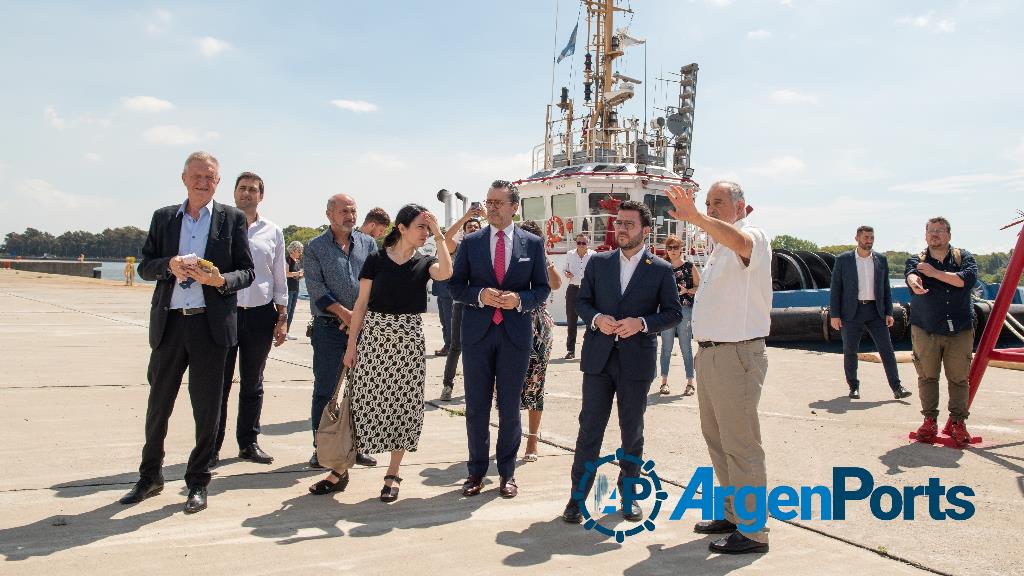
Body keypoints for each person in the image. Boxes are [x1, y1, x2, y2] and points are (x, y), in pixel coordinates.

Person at [118, 151, 254, 514]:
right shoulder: (164, 218)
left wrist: (220, 279)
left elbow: (247, 271)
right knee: (158, 405)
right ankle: (150, 477)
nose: (203, 182)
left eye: (210, 177)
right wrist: (170, 265)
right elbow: (147, 266)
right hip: (171, 323)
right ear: (184, 179)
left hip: (210, 326)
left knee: (207, 409)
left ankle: (197, 481)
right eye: (197, 176)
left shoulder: (232, 218)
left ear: (218, 182)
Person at [310, 205, 452, 500]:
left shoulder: (425, 261)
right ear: (402, 228)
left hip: (408, 340)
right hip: (373, 337)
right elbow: (360, 304)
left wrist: (439, 233)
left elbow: (446, 272)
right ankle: (340, 469)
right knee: (360, 403)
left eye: (427, 229)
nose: (424, 233)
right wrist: (351, 347)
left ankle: (393, 473)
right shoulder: (375, 260)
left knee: (404, 405)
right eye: (421, 227)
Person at [664, 181, 772, 554]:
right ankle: (733, 514)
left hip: (736, 355)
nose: (711, 208)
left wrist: (694, 216)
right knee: (718, 440)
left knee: (741, 443)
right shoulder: (715, 251)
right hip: (712, 355)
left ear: (742, 207)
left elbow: (743, 246)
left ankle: (753, 530)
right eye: (708, 203)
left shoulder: (750, 235)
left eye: (719, 202)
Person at [561, 200, 682, 524]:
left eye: (629, 224)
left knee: (632, 432)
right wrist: (597, 318)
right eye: (619, 223)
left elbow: (674, 312)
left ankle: (629, 497)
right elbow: (583, 302)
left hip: (636, 362)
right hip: (599, 360)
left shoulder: (660, 269)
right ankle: (577, 499)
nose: (622, 228)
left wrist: (641, 323)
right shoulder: (599, 264)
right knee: (589, 430)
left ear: (645, 230)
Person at [449, 180, 551, 498]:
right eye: (489, 202)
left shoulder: (532, 244)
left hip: (514, 333)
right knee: (477, 408)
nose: (491, 207)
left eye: (498, 202)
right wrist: (480, 294)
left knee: (509, 408)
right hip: (478, 335)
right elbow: (456, 286)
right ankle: (476, 473)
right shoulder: (471, 242)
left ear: (513, 207)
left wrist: (520, 301)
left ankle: (507, 473)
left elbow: (543, 288)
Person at [211, 171, 288, 468]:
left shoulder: (273, 232)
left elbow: (279, 277)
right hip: (224, 313)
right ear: (233, 193)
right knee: (219, 383)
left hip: (259, 314)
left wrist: (282, 317)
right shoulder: (218, 227)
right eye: (242, 188)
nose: (247, 193)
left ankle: (248, 442)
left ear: (261, 195)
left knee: (253, 383)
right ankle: (212, 445)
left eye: (253, 189)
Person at [302, 194, 378, 469]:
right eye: (344, 211)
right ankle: (321, 447)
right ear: (329, 215)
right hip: (328, 329)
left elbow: (376, 282)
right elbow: (317, 290)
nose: (350, 215)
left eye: (353, 210)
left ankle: (358, 446)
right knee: (325, 390)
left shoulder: (368, 244)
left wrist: (360, 317)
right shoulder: (314, 248)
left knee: (361, 390)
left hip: (365, 329)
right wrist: (346, 314)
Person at [905, 217, 978, 447]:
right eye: (931, 231)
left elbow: (965, 281)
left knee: (958, 378)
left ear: (949, 235)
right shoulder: (917, 259)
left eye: (940, 231)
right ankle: (929, 420)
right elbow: (911, 275)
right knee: (927, 376)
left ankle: (958, 423)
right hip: (925, 328)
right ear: (925, 235)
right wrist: (915, 280)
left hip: (959, 328)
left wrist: (934, 273)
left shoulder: (963, 258)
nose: (935, 234)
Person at [829, 226, 911, 400]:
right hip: (852, 312)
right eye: (866, 237)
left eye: (872, 237)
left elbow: (885, 288)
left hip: (876, 311)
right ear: (857, 238)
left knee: (887, 350)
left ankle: (897, 387)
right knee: (850, 350)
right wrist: (835, 315)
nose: (869, 240)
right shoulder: (843, 260)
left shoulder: (881, 259)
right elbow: (836, 288)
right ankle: (853, 387)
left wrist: (889, 312)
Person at [517, 220, 562, 462]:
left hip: (538, 327)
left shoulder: (543, 260)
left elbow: (556, 283)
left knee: (536, 383)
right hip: (510, 323)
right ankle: (510, 437)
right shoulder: (511, 260)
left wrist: (544, 257)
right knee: (506, 383)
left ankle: (532, 441)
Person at [439, 211, 484, 401]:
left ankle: (479, 386)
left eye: (476, 227)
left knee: (481, 347)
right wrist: (465, 217)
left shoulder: (487, 248)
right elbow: (445, 237)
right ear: (464, 231)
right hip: (461, 303)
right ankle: (447, 385)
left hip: (482, 304)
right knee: (456, 346)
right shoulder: (458, 247)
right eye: (469, 227)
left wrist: (487, 216)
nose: (472, 228)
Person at [658, 234, 700, 396]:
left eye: (676, 247)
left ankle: (690, 383)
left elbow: (698, 287)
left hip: (685, 310)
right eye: (670, 248)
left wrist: (686, 291)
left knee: (686, 347)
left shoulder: (689, 267)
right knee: (666, 348)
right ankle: (664, 383)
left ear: (681, 248)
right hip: (667, 312)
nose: (673, 251)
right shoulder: (662, 267)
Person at [562, 233, 595, 360]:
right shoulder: (570, 254)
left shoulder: (594, 255)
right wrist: (566, 273)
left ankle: (589, 348)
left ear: (588, 244)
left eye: (584, 243)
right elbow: (564, 269)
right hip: (573, 289)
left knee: (589, 321)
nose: (581, 245)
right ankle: (570, 350)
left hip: (588, 291)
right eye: (578, 243)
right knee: (571, 321)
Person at [285, 241, 304, 339]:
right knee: (286, 311)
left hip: (295, 288)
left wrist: (301, 275)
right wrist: (297, 273)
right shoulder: (287, 260)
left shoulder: (298, 261)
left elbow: (296, 275)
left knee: (291, 311)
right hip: (288, 289)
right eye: (299, 250)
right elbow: (286, 273)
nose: (300, 253)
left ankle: (287, 332)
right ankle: (282, 331)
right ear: (293, 250)